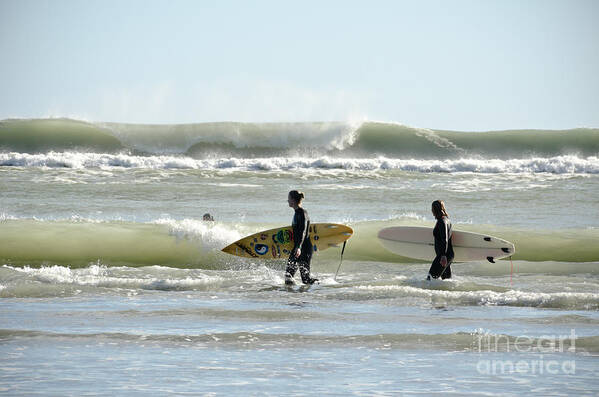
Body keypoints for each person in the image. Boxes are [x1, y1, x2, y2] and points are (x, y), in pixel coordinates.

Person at [285, 190, 318, 285]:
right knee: (288, 277)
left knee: (306, 279)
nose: (287, 201)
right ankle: (293, 298)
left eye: (289, 198)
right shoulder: (296, 213)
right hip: (297, 248)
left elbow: (303, 231)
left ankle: (321, 287)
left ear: (293, 200)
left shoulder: (302, 213)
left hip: (304, 248)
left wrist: (299, 247)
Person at [427, 200, 454, 280]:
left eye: (432, 208)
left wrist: (442, 256)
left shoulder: (442, 221)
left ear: (434, 209)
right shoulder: (447, 220)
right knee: (446, 281)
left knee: (430, 279)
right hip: (447, 255)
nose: (431, 211)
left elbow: (444, 238)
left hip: (443, 256)